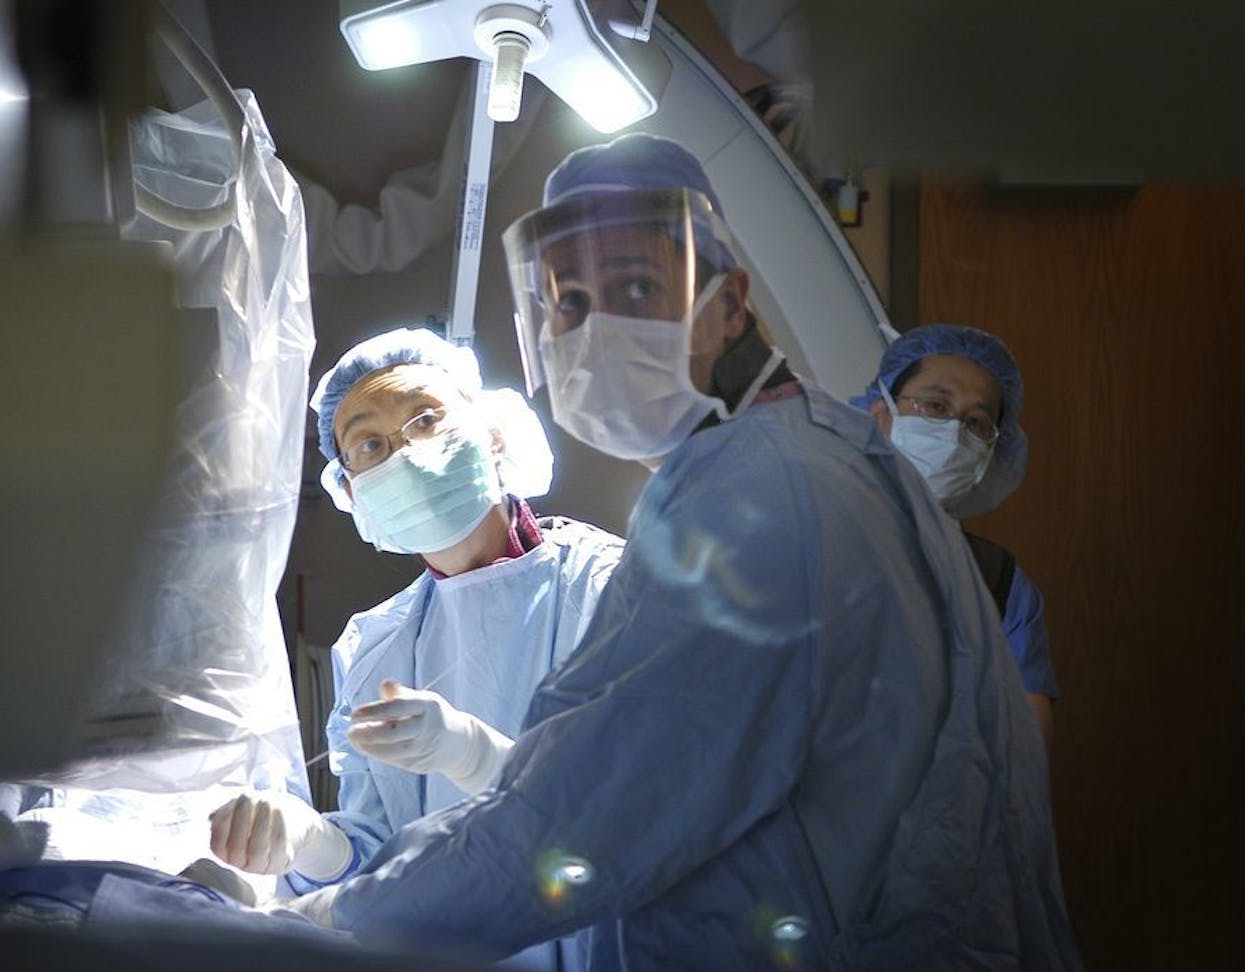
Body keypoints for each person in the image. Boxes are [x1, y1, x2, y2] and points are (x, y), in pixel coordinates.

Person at [280, 134, 1079, 969]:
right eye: (570, 303)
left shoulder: (757, 501)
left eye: (636, 286)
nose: (597, 333)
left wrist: (330, 919)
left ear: (728, 304)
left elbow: (576, 819)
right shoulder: (801, 454)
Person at [207, 327, 623, 967]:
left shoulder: (611, 589)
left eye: (426, 419)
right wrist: (307, 840)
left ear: (492, 434)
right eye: (369, 444)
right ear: (351, 491)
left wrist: (475, 754)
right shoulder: (376, 646)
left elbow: (643, 813)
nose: (403, 454)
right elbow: (383, 857)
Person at [851, 324, 1059, 745]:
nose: (953, 434)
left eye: (977, 422)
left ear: (991, 453)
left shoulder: (998, 583)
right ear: (879, 414)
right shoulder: (800, 537)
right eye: (935, 406)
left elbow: (1026, 742)